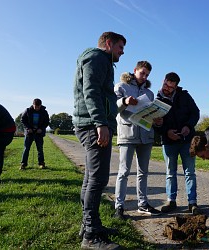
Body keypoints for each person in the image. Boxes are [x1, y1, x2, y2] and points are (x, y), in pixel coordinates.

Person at [73, 31, 126, 250]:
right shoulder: (96, 58)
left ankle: (89, 226)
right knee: (98, 178)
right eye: (120, 47)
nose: (122, 52)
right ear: (108, 43)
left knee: (90, 178)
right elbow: (91, 91)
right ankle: (91, 236)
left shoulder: (101, 60)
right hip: (93, 124)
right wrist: (100, 123)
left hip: (91, 123)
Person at [113, 61, 162, 220]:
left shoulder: (149, 93)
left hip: (146, 136)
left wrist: (156, 120)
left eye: (147, 75)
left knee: (143, 172)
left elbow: (149, 114)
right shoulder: (120, 86)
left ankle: (143, 204)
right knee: (124, 172)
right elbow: (113, 107)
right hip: (127, 133)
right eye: (142, 73)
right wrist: (125, 101)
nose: (144, 77)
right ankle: (119, 206)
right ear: (135, 70)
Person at [155, 72, 201, 215]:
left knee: (190, 172)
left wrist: (188, 126)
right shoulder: (156, 100)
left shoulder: (185, 96)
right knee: (170, 172)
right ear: (163, 81)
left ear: (176, 87)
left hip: (187, 141)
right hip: (168, 142)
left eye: (171, 88)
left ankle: (192, 203)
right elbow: (155, 123)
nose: (167, 89)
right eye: (166, 85)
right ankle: (171, 201)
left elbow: (195, 113)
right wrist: (166, 132)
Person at [20, 98, 50, 170]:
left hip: (39, 133)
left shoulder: (44, 112)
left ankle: (41, 164)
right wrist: (28, 128)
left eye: (38, 107)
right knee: (26, 149)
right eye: (35, 106)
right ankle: (23, 164)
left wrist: (41, 129)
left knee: (40, 149)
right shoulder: (27, 111)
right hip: (29, 133)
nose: (37, 108)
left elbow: (46, 122)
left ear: (40, 105)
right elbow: (23, 120)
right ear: (33, 104)